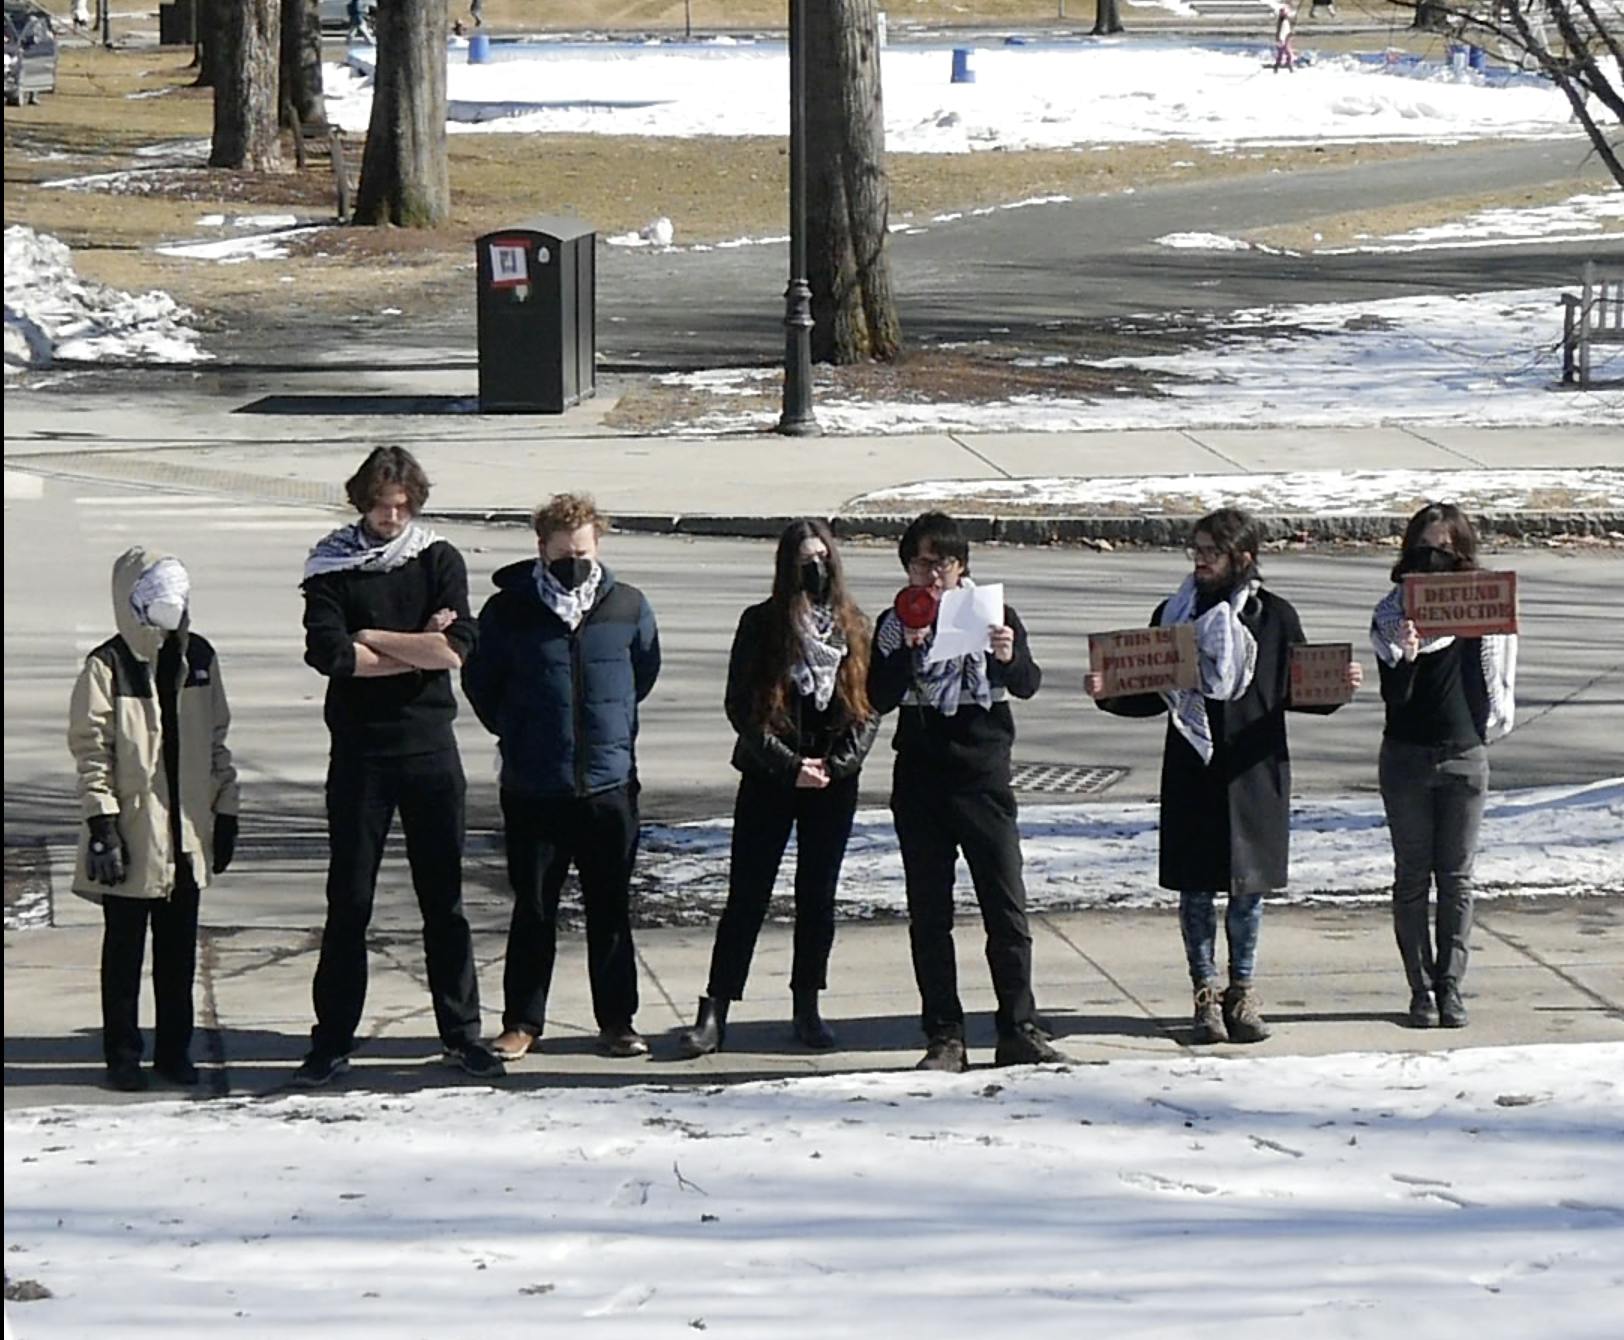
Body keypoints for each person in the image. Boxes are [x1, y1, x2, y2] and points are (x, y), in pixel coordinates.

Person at [1088, 508, 1361, 1044]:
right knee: (1194, 889)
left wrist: (1338, 687)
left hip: (1253, 769)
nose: (1201, 561)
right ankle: (1204, 993)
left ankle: (1242, 990)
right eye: (1197, 550)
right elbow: (1150, 691)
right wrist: (1108, 691)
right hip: (1193, 767)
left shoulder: (1273, 616)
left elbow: (1297, 688)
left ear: (1243, 558)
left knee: (1246, 891)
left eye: (1212, 552)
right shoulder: (1173, 613)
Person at [296, 446, 501, 1086]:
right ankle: (331, 1038)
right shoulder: (331, 566)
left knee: (443, 901)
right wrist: (413, 642)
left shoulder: (438, 557)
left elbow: (455, 652)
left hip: (431, 752)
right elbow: (332, 657)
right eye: (382, 506)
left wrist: (374, 637)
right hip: (361, 755)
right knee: (349, 901)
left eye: (402, 505)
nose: (392, 516)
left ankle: (462, 1035)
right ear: (362, 501)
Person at [463, 493, 661, 1061]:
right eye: (562, 552)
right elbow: (482, 683)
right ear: (541, 549)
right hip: (534, 788)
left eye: (582, 550)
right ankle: (522, 1022)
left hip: (608, 785)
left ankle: (617, 1022)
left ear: (597, 545)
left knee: (611, 909)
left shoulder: (628, 606)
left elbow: (642, 672)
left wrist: (611, 733)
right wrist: (520, 732)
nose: (573, 560)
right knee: (534, 910)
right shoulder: (508, 611)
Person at [867, 512, 1061, 1072]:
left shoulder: (993, 613)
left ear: (962, 567)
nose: (933, 575)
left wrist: (1008, 654)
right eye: (922, 563)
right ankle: (945, 1034)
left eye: (943, 563)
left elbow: (1027, 684)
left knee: (1006, 908)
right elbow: (877, 698)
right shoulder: (892, 621)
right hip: (922, 782)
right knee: (930, 915)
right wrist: (906, 648)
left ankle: (1018, 1026)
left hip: (983, 780)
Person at [677, 520, 878, 1058]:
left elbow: (869, 707)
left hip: (833, 781)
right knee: (748, 893)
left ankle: (807, 1003)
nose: (815, 568)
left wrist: (837, 765)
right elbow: (742, 707)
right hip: (771, 776)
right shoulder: (762, 624)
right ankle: (716, 1008)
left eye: (822, 559)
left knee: (818, 896)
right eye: (804, 560)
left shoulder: (853, 624)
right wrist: (789, 765)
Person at [69, 548, 239, 1092]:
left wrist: (226, 810)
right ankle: (122, 1053)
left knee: (178, 953)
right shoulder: (108, 664)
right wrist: (102, 822)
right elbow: (92, 748)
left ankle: (174, 1050)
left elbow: (216, 742)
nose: (172, 608)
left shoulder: (201, 659)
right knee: (123, 950)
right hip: (133, 833)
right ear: (135, 601)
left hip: (186, 834)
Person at [1371, 503, 1516, 1030]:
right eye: (1424, 548)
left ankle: (1451, 984)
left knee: (1457, 878)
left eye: (1446, 549)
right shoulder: (1392, 612)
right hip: (1407, 756)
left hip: (1464, 754)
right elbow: (1395, 697)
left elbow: (1497, 676)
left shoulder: (1482, 607)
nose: (1435, 559)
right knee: (1412, 877)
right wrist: (1406, 654)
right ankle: (1420, 988)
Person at [1273, 5, 1296, 72]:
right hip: (1283, 40)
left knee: (1281, 54)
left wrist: (1290, 33)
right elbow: (1283, 31)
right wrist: (1282, 39)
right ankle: (1289, 66)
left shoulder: (1283, 21)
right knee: (1289, 54)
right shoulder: (1283, 22)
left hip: (1282, 39)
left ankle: (1276, 67)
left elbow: (1285, 30)